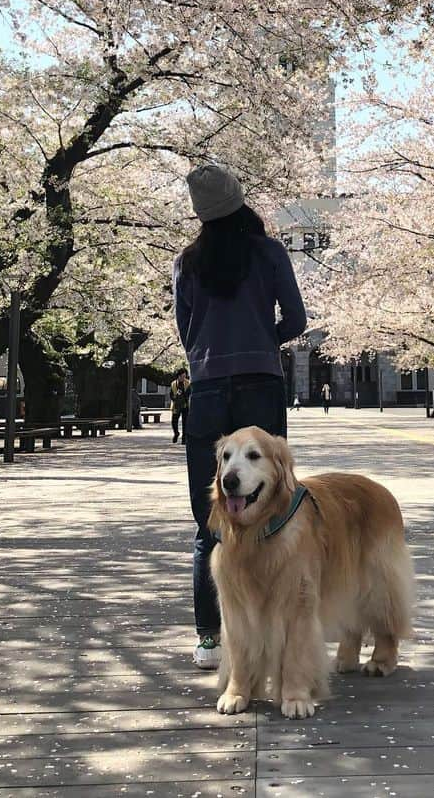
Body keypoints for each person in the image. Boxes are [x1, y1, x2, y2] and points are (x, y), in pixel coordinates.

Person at [173, 162, 306, 671]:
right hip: (261, 388)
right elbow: (296, 318)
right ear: (240, 201)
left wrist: (213, 354)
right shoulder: (269, 254)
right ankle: (273, 626)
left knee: (211, 515)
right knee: (274, 504)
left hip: (207, 392)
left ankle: (209, 638)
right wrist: (261, 342)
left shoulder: (187, 262)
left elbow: (187, 335)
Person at [170, 368, 190, 444]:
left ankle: (184, 439)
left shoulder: (188, 383)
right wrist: (174, 398)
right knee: (174, 421)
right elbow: (171, 394)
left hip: (185, 405)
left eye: (185, 376)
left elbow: (189, 394)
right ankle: (176, 433)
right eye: (182, 376)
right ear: (178, 376)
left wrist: (183, 395)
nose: (183, 378)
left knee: (185, 423)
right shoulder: (173, 384)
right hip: (176, 405)